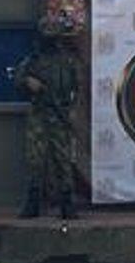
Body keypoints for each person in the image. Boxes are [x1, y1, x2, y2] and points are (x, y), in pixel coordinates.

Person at [14, 16, 85, 220]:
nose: (50, 40)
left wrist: (71, 110)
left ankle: (67, 203)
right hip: (39, 113)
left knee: (62, 160)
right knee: (35, 159)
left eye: (53, 36)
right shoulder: (33, 60)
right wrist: (28, 81)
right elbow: (18, 79)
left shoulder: (68, 61)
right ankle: (33, 203)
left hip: (60, 114)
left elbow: (78, 89)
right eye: (47, 35)